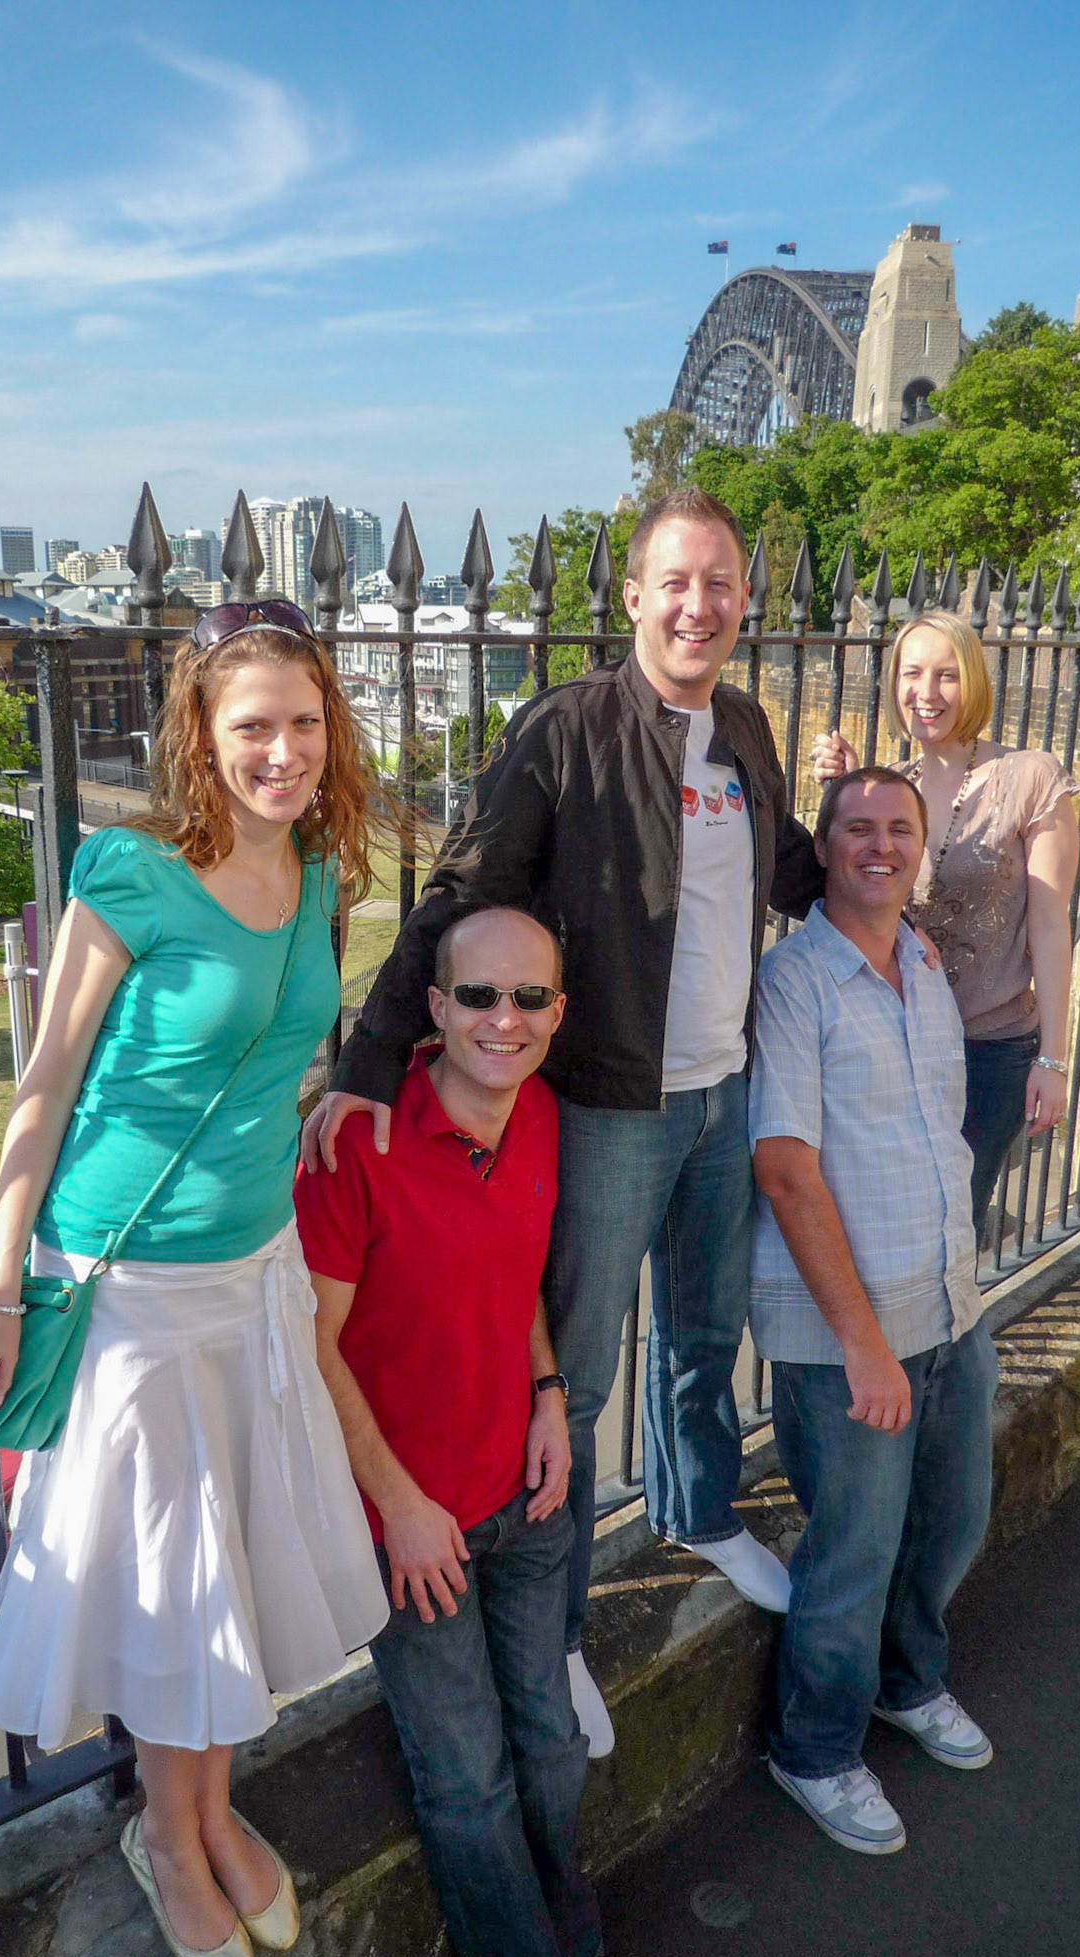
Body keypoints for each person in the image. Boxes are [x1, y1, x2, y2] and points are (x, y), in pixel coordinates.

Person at [303, 486, 826, 1756]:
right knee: (575, 1377)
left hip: (724, 1086)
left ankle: (699, 1507)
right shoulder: (566, 728)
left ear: (743, 600)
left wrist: (878, 885)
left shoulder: (745, 727)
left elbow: (785, 862)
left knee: (703, 1328)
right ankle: (566, 1626)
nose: (698, 604)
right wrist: (370, 1056)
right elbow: (465, 883)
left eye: (720, 582)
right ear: (633, 596)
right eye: (675, 581)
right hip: (606, 1098)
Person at [0, 598, 392, 1957]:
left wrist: (329, 1095)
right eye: (253, 725)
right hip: (131, 1287)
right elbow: (45, 1085)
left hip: (255, 1271)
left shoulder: (318, 867)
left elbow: (282, 1039)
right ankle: (169, 1833)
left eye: (304, 722)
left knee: (231, 1562)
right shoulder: (130, 872)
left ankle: (210, 1808)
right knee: (177, 1584)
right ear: (200, 730)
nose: (282, 751)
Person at [295, 904, 669, 1957]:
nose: (503, 1018)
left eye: (529, 997)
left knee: (549, 1743)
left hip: (527, 1495)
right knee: (468, 1775)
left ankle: (578, 1954)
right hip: (417, 1530)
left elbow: (514, 1288)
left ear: (558, 1011)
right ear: (434, 1005)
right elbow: (309, 1344)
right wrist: (401, 1506)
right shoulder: (357, 1145)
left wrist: (549, 1392)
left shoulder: (542, 1115)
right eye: (477, 995)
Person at [749, 767, 999, 1856]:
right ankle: (813, 1749)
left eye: (900, 828)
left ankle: (909, 1682)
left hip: (946, 1296)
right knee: (852, 1549)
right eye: (857, 827)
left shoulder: (925, 968)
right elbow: (785, 1169)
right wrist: (862, 1344)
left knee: (950, 1518)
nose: (880, 845)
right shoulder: (795, 980)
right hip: (851, 1329)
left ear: (921, 848)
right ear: (824, 846)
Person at [815, 609, 1079, 1236]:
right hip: (895, 1038)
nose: (926, 692)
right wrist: (849, 789)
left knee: (950, 1225)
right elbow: (866, 904)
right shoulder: (894, 789)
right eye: (911, 674)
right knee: (878, 1218)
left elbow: (1049, 925)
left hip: (989, 1048)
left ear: (974, 682)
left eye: (946, 675)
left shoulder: (1031, 777)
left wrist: (1054, 1060)